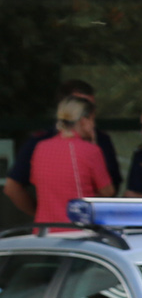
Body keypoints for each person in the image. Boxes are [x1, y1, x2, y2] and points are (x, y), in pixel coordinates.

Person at [9, 93, 114, 225]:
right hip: (79, 232)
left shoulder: (40, 148)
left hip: (45, 230)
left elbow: (40, 185)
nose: (94, 125)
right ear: (83, 121)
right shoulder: (90, 150)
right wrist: (92, 144)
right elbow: (108, 191)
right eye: (93, 120)